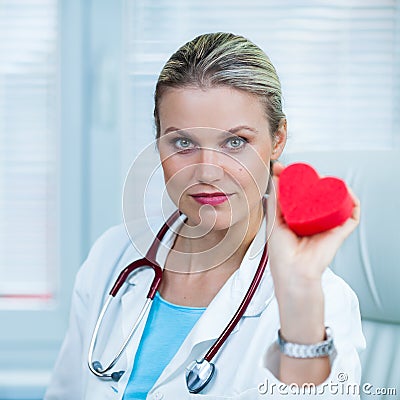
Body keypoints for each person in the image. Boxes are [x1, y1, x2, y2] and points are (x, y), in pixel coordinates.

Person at [45, 32, 365, 399]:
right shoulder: (112, 256)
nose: (208, 171)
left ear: (278, 139)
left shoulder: (322, 299)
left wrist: (298, 299)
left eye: (235, 142)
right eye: (183, 143)